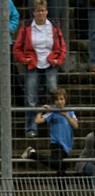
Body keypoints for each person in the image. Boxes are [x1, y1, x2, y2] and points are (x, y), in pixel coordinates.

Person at [13, 0, 67, 137]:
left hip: (51, 64)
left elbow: (63, 47)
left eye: (43, 10)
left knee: (53, 94)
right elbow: (17, 48)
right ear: (34, 13)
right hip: (33, 64)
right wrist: (25, 60)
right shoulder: (26, 27)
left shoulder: (54, 26)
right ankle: (31, 128)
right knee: (31, 98)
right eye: (38, 11)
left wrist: (58, 60)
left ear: (47, 12)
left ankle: (52, 126)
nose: (41, 13)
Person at [21, 88, 78, 179]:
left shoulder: (70, 112)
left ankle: (63, 193)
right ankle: (32, 154)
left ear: (65, 99)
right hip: (56, 144)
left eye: (61, 99)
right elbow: (37, 120)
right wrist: (41, 110)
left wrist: (66, 115)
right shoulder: (52, 113)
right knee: (57, 164)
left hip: (67, 145)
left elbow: (75, 125)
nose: (59, 102)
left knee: (61, 172)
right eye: (56, 99)